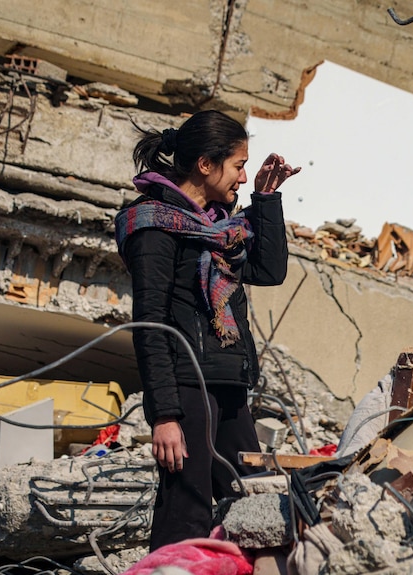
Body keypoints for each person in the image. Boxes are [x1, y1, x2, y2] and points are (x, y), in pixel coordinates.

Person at [114, 110, 301, 551]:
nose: (242, 175)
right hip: (186, 386)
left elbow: (269, 270)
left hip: (229, 383)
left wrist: (266, 199)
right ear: (205, 164)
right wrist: (164, 415)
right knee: (187, 510)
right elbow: (150, 323)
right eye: (238, 165)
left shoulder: (222, 229)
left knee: (254, 499)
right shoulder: (154, 225)